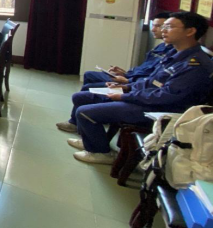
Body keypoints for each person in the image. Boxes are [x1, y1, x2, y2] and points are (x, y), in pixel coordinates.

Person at [64, 12, 213, 164]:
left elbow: (166, 96)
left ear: (190, 31)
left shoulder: (195, 65)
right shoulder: (174, 53)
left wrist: (124, 96)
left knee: (84, 112)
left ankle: (101, 152)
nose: (163, 30)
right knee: (82, 97)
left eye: (169, 27)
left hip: (159, 109)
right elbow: (151, 80)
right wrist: (127, 87)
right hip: (144, 97)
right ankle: (91, 141)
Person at [76, 12, 173, 91]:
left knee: (87, 88)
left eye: (158, 26)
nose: (153, 29)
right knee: (89, 75)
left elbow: (153, 80)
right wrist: (125, 73)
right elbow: (144, 69)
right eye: (153, 25)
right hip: (131, 77)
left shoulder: (172, 55)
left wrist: (127, 80)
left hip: (134, 84)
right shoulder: (160, 46)